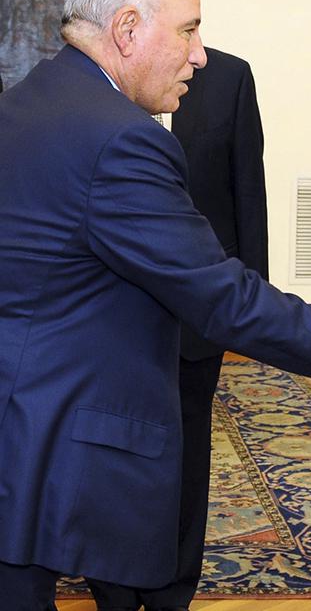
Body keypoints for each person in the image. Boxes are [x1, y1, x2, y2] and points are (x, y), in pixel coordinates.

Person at [0, 0, 311, 611]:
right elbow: (220, 297)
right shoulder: (121, 138)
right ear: (126, 29)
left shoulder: (32, 99)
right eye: (188, 30)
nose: (201, 54)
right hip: (46, 435)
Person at [84, 47, 268, 609]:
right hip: (107, 313)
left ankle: (173, 589)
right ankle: (112, 587)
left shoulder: (229, 78)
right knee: (108, 451)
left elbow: (247, 190)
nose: (197, 48)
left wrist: (252, 303)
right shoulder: (89, 81)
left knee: (188, 451)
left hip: (198, 312)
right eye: (186, 26)